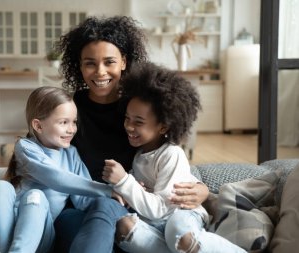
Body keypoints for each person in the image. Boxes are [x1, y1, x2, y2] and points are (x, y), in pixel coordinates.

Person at [54, 15, 210, 252]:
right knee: (73, 225)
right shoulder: (68, 109)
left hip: (129, 209)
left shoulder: (139, 107)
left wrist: (202, 189)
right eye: (89, 63)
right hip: (78, 206)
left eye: (109, 62)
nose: (100, 72)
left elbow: (166, 158)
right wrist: (4, 187)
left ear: (124, 62)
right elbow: (35, 151)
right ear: (79, 65)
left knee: (112, 221)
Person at [102, 62, 247, 253]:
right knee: (124, 228)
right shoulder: (139, 155)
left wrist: (123, 181)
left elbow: (161, 208)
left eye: (138, 122)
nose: (129, 126)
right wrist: (128, 189)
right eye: (127, 118)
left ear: (163, 126)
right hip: (155, 223)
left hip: (182, 215)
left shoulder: (171, 154)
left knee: (177, 232)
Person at [0, 86, 128, 253]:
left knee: (35, 196)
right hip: (4, 229)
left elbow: (84, 199)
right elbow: (56, 177)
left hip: (40, 235)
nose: (71, 129)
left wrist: (126, 192)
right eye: (63, 122)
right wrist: (106, 190)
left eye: (74, 122)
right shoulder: (26, 147)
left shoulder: (71, 154)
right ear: (38, 126)